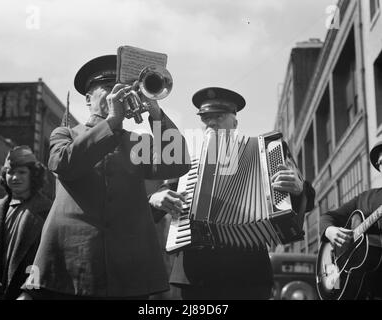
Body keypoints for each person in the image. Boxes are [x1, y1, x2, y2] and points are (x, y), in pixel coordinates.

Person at [22, 55, 190, 300]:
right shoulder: (65, 133)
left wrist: (155, 113)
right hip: (71, 263)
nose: (118, 94)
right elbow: (64, 164)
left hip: (127, 269)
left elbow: (177, 163)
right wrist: (112, 122)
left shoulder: (136, 142)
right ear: (89, 99)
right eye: (109, 88)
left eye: (123, 89)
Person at [149, 87, 315, 300]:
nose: (212, 122)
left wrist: (299, 189)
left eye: (219, 116)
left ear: (235, 123)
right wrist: (154, 198)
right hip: (196, 273)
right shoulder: (188, 154)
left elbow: (307, 199)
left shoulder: (268, 151)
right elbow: (167, 191)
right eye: (206, 118)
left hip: (248, 273)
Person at [0, 146, 51, 300]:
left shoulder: (47, 211)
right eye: (10, 172)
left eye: (22, 172)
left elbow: (48, 257)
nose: (15, 177)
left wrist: (29, 293)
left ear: (33, 175)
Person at [320, 141, 382, 300]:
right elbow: (327, 217)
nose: (381, 163)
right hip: (358, 290)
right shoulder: (365, 198)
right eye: (379, 162)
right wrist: (330, 231)